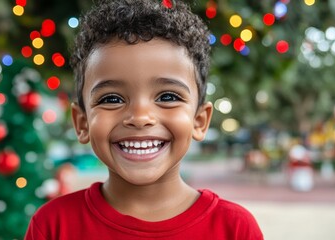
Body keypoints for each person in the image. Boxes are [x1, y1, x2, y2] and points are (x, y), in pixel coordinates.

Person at [25, 0, 264, 239]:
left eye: (168, 96)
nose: (139, 118)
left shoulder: (235, 228)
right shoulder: (53, 224)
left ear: (199, 121)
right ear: (82, 122)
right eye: (111, 99)